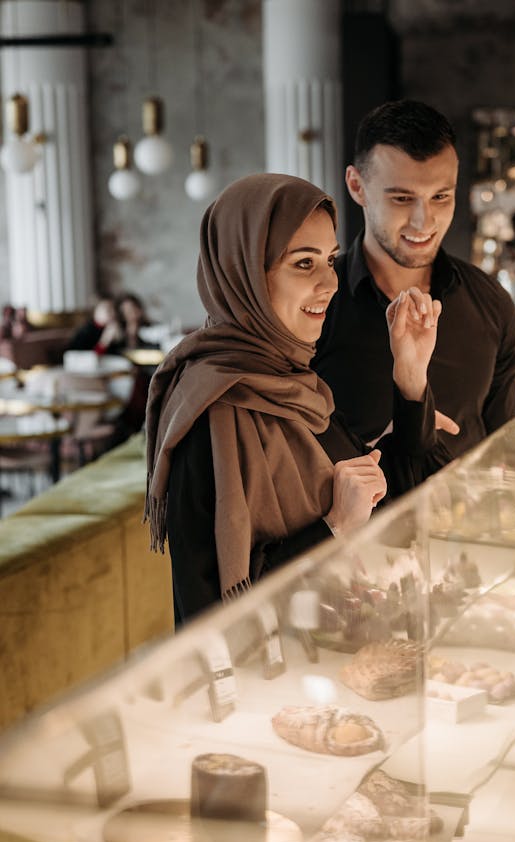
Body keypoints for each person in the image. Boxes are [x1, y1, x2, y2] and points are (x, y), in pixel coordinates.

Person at [145, 172, 451, 625]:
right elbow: (208, 620)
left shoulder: (299, 385)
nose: (330, 283)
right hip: (265, 686)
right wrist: (333, 529)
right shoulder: (210, 413)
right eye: (304, 264)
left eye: (330, 259)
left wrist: (410, 376)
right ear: (244, 271)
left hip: (332, 668)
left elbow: (391, 508)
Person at [313, 99, 515, 458]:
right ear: (356, 186)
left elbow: (506, 450)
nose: (423, 222)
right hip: (356, 515)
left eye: (441, 196)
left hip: (467, 513)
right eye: (402, 198)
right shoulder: (315, 304)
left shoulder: (492, 304)